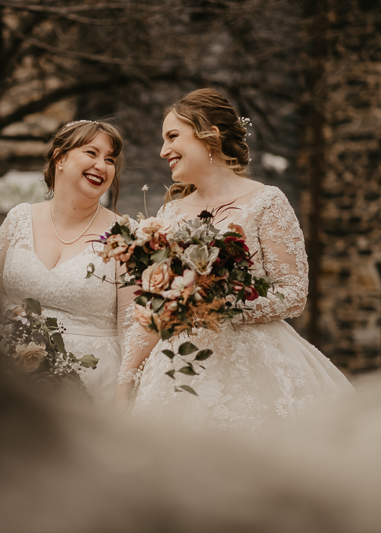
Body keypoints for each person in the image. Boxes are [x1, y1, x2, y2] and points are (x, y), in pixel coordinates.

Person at [115, 89, 354, 439]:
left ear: (208, 135)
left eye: (172, 137)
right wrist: (126, 378)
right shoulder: (169, 213)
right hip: (178, 369)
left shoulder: (265, 202)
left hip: (258, 368)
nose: (163, 150)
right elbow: (153, 306)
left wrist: (219, 304)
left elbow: (293, 294)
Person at [0, 120, 134, 405]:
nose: (102, 165)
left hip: (96, 383)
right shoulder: (18, 218)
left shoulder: (126, 234)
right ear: (60, 157)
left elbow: (133, 325)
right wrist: (14, 325)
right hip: (15, 375)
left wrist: (125, 394)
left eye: (110, 159)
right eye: (92, 153)